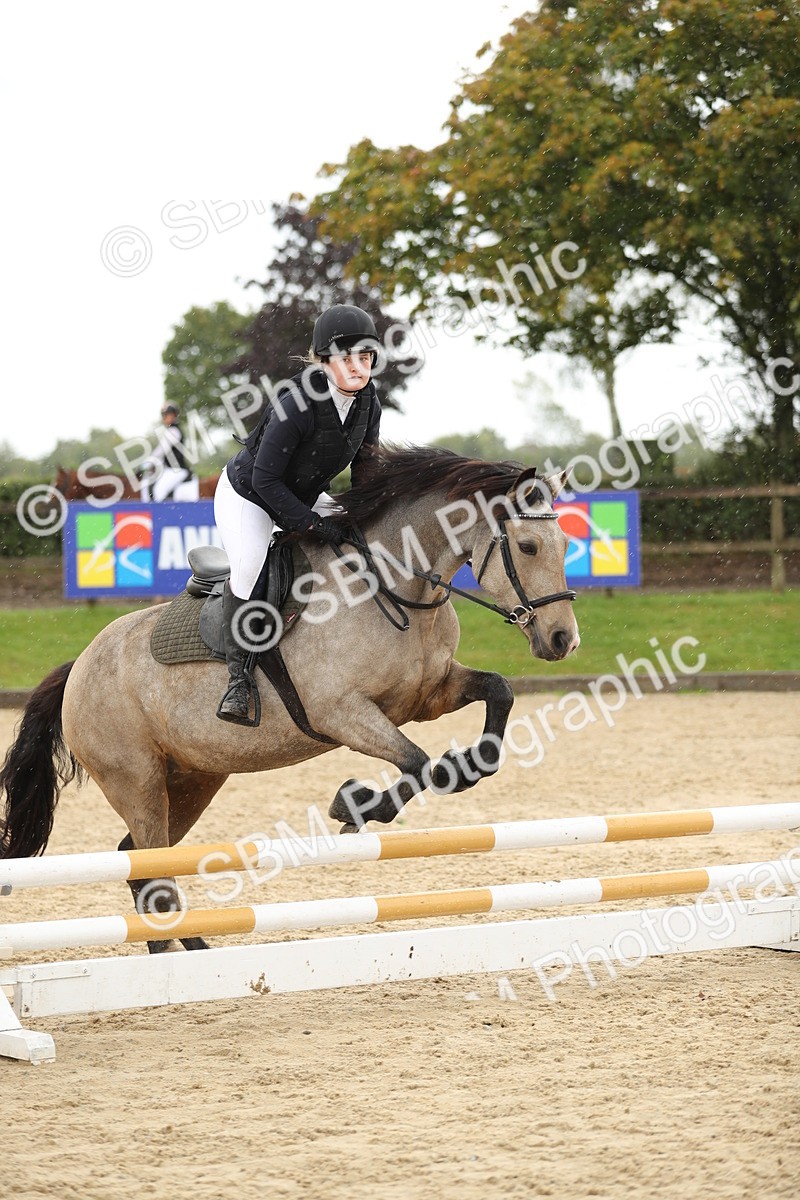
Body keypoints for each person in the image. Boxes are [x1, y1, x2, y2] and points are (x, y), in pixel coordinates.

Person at [213, 303, 382, 723]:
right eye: (347, 357)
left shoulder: (368, 403)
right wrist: (313, 524)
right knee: (250, 566)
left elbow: (366, 470)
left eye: (365, 357)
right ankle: (238, 680)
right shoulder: (298, 403)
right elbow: (266, 480)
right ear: (324, 361)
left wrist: (361, 516)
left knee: (365, 539)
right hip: (248, 495)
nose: (358, 367)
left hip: (302, 494)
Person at [140, 404, 198, 501]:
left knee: (159, 491)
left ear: (174, 415)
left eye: (167, 415)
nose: (165, 418)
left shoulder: (174, 431)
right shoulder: (170, 430)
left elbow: (161, 450)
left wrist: (147, 463)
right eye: (164, 415)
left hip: (177, 470)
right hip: (169, 469)